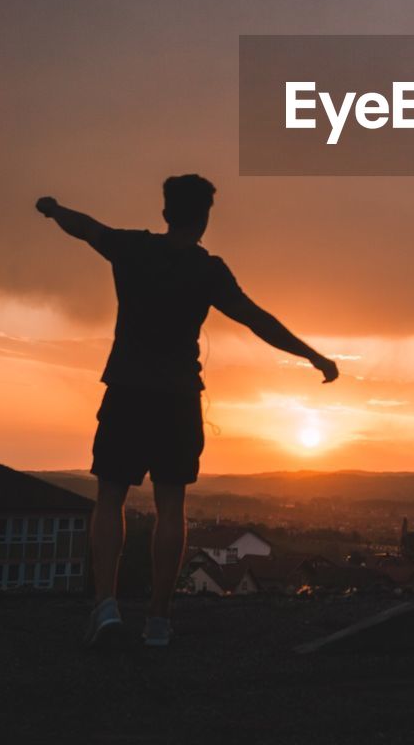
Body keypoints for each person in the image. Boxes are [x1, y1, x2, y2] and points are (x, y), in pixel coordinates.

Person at [35, 174, 338, 649]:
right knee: (171, 505)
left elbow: (86, 227)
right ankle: (158, 621)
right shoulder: (208, 270)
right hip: (177, 398)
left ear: (165, 212)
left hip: (127, 390)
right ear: (204, 218)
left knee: (111, 498)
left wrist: (53, 209)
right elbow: (258, 320)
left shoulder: (133, 249)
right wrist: (313, 356)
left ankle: (106, 607)